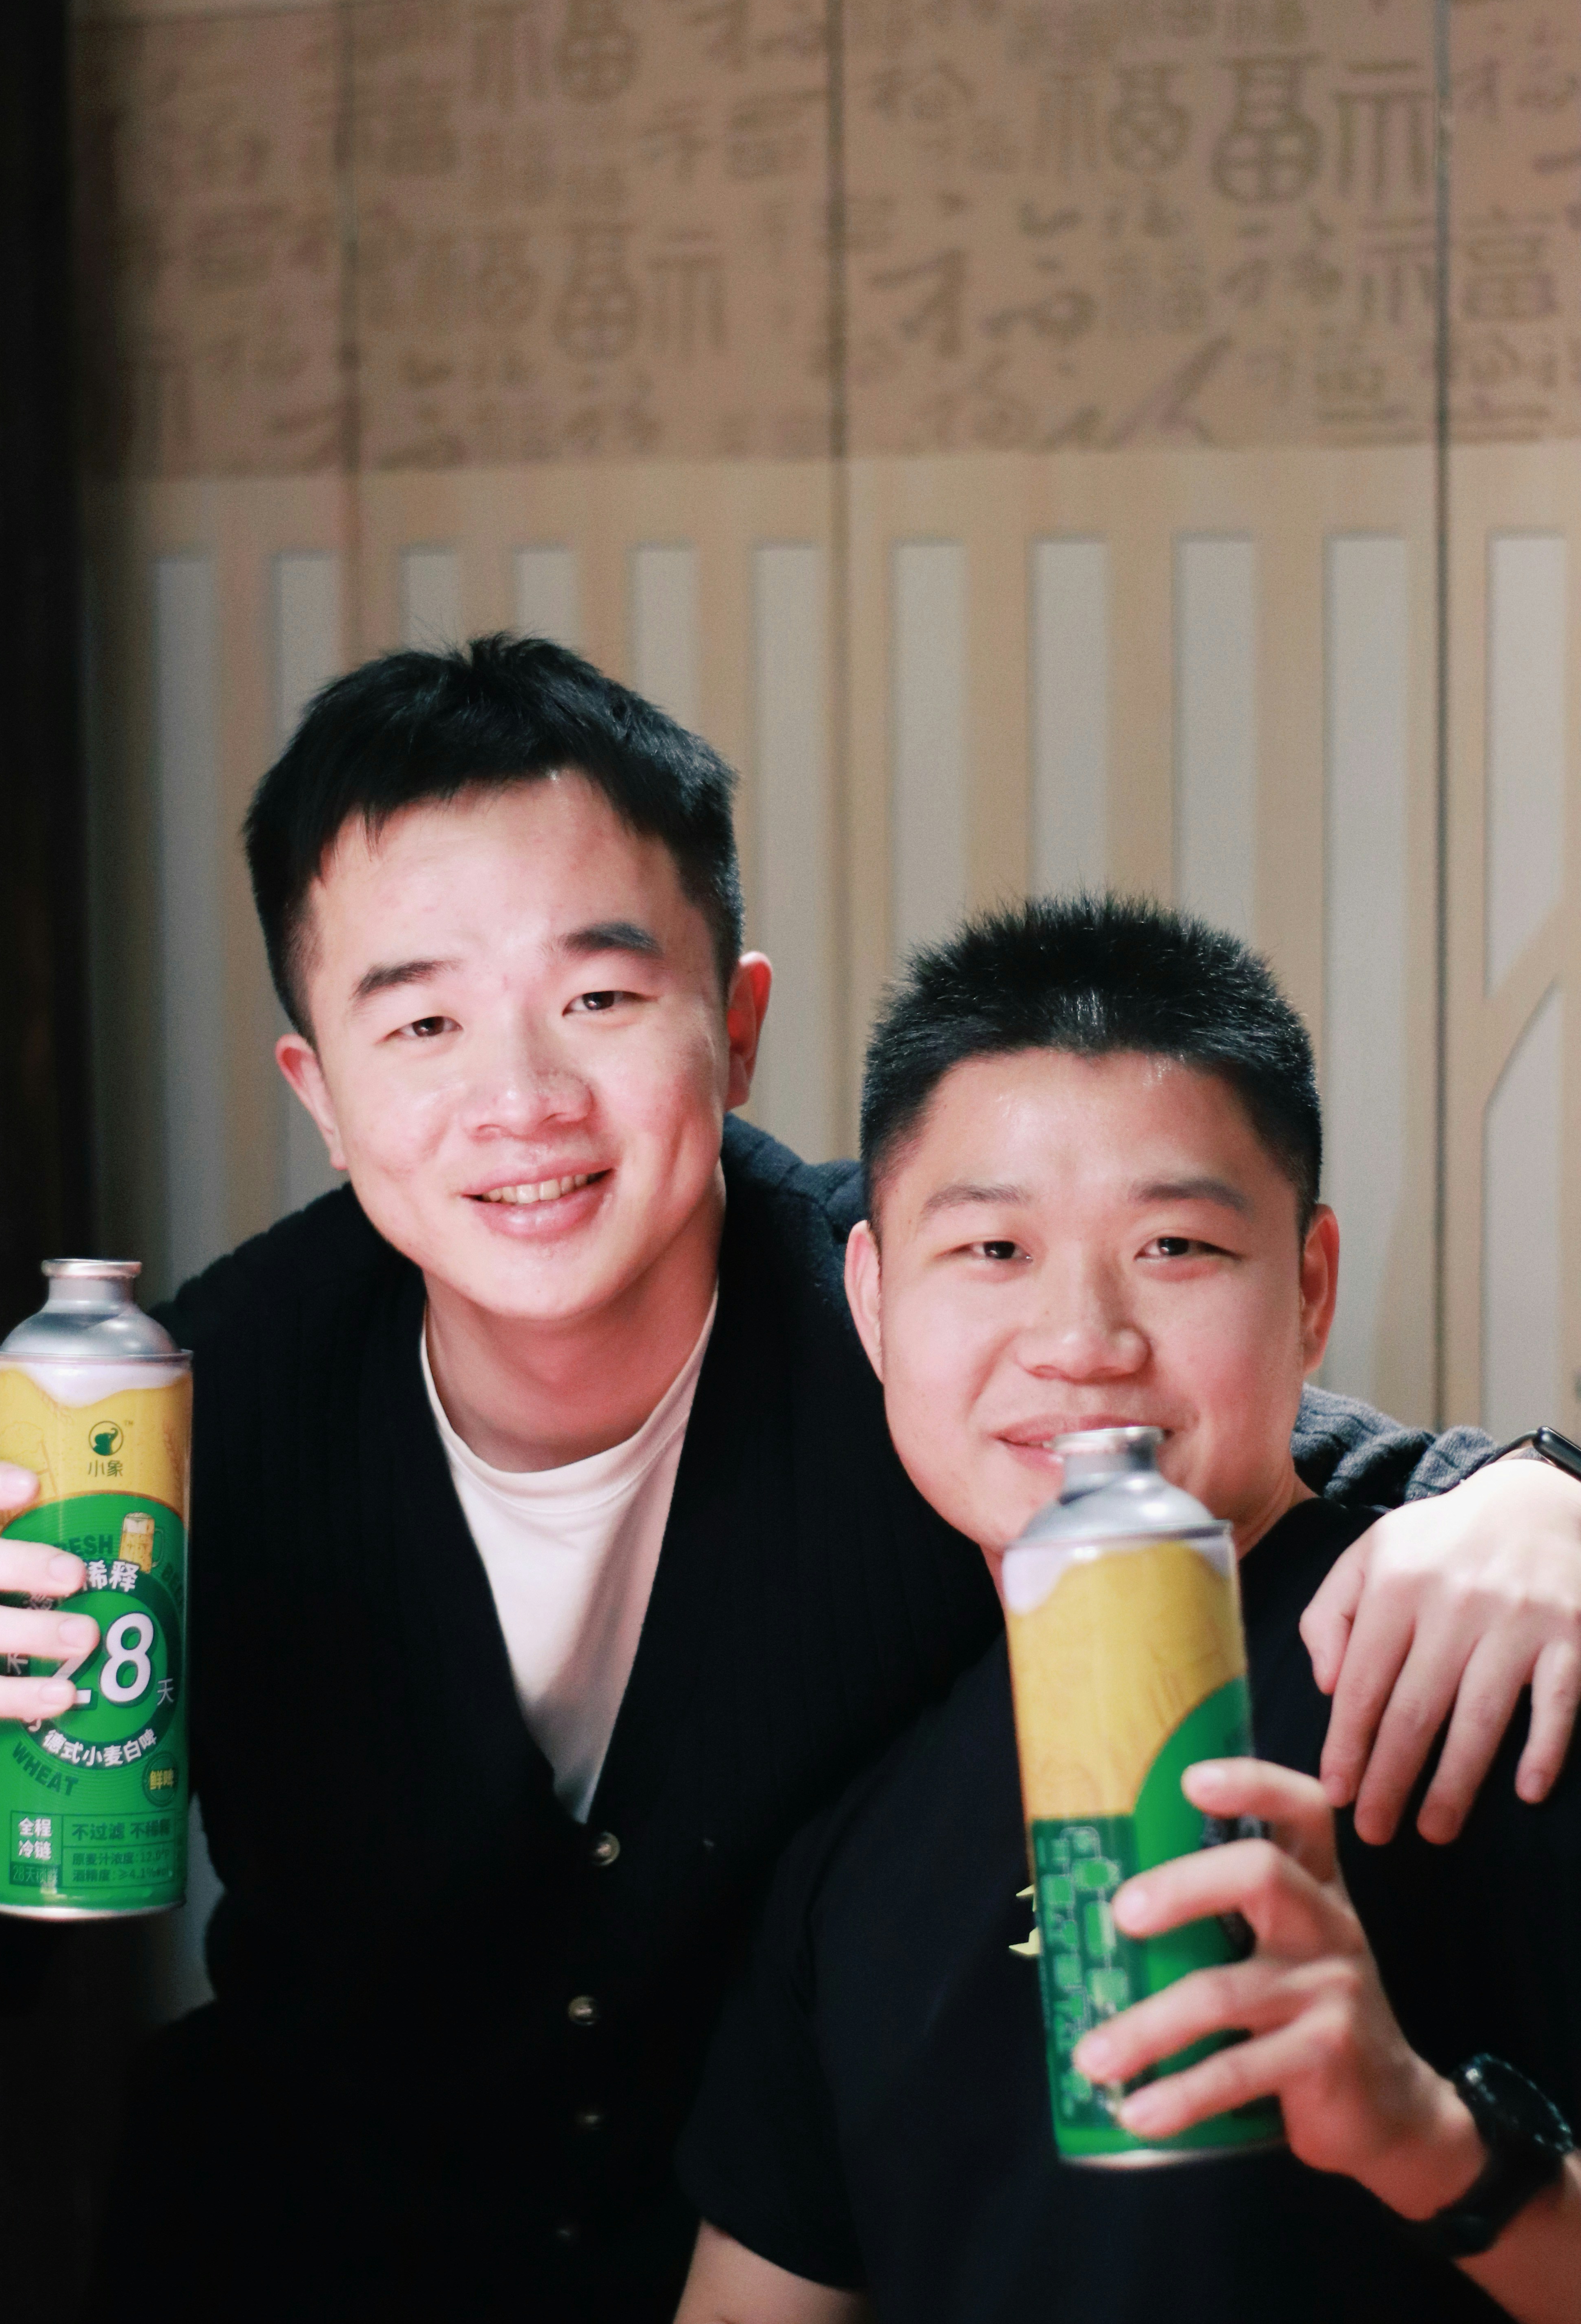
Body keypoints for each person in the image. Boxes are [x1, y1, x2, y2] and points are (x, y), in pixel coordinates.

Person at [0, 643, 1578, 2323]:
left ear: (734, 1029)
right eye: (422, 1021)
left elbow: (1226, 1451)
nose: (521, 1100)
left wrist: (1547, 1491)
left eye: (597, 997)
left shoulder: (921, 1337)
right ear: (325, 1099)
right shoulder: (174, 1410)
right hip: (290, 2264)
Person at [673, 895, 1581, 2324]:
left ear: (1312, 1287)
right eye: (993, 1253)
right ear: (873, 1304)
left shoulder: (1488, 1671)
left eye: (1176, 1249)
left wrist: (1424, 2140)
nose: (1084, 1345)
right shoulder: (846, 1857)